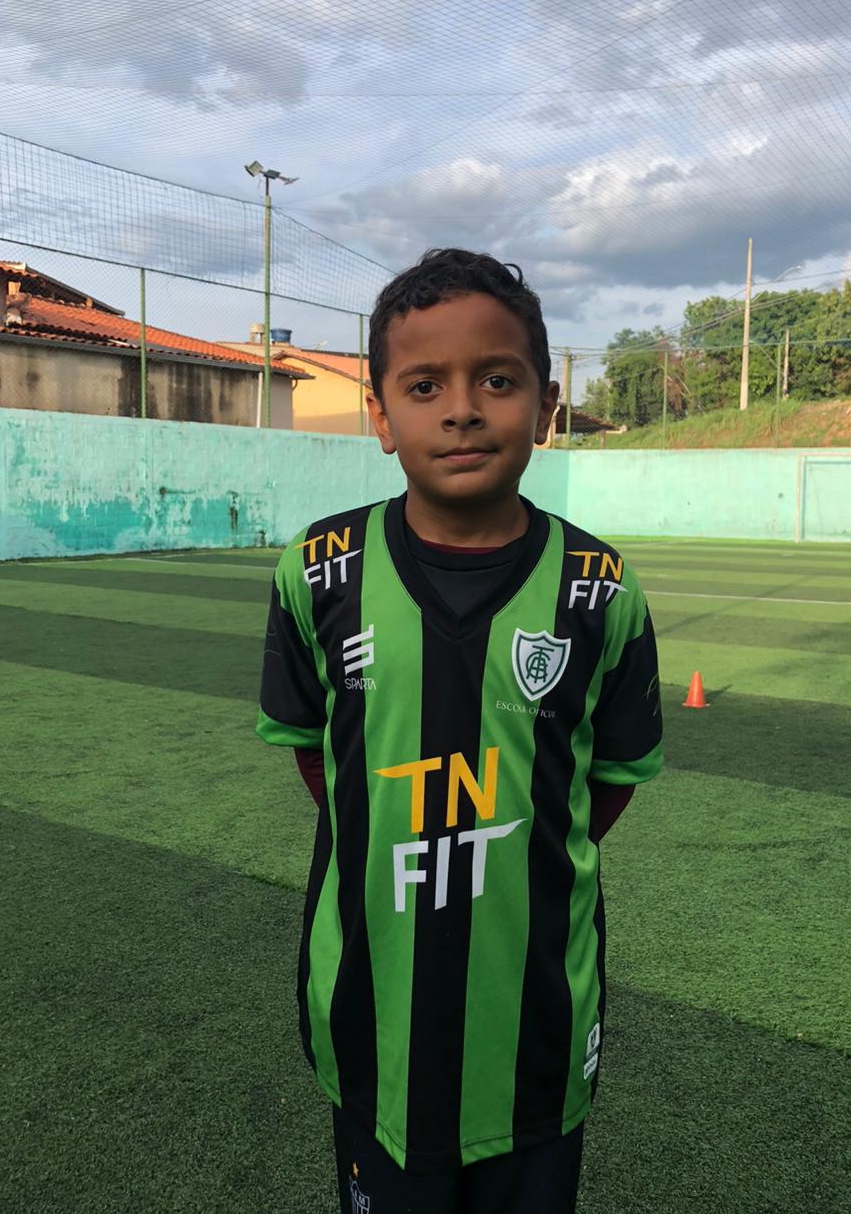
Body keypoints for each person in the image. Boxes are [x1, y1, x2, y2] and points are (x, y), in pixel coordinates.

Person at [256, 248, 663, 1214]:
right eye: (425, 385)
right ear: (380, 416)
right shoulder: (320, 570)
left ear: (547, 405)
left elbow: (609, 779)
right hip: (371, 1009)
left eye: (497, 380)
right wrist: (399, 820)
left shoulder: (599, 589)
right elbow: (320, 757)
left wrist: (512, 842)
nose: (463, 410)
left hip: (538, 1025)